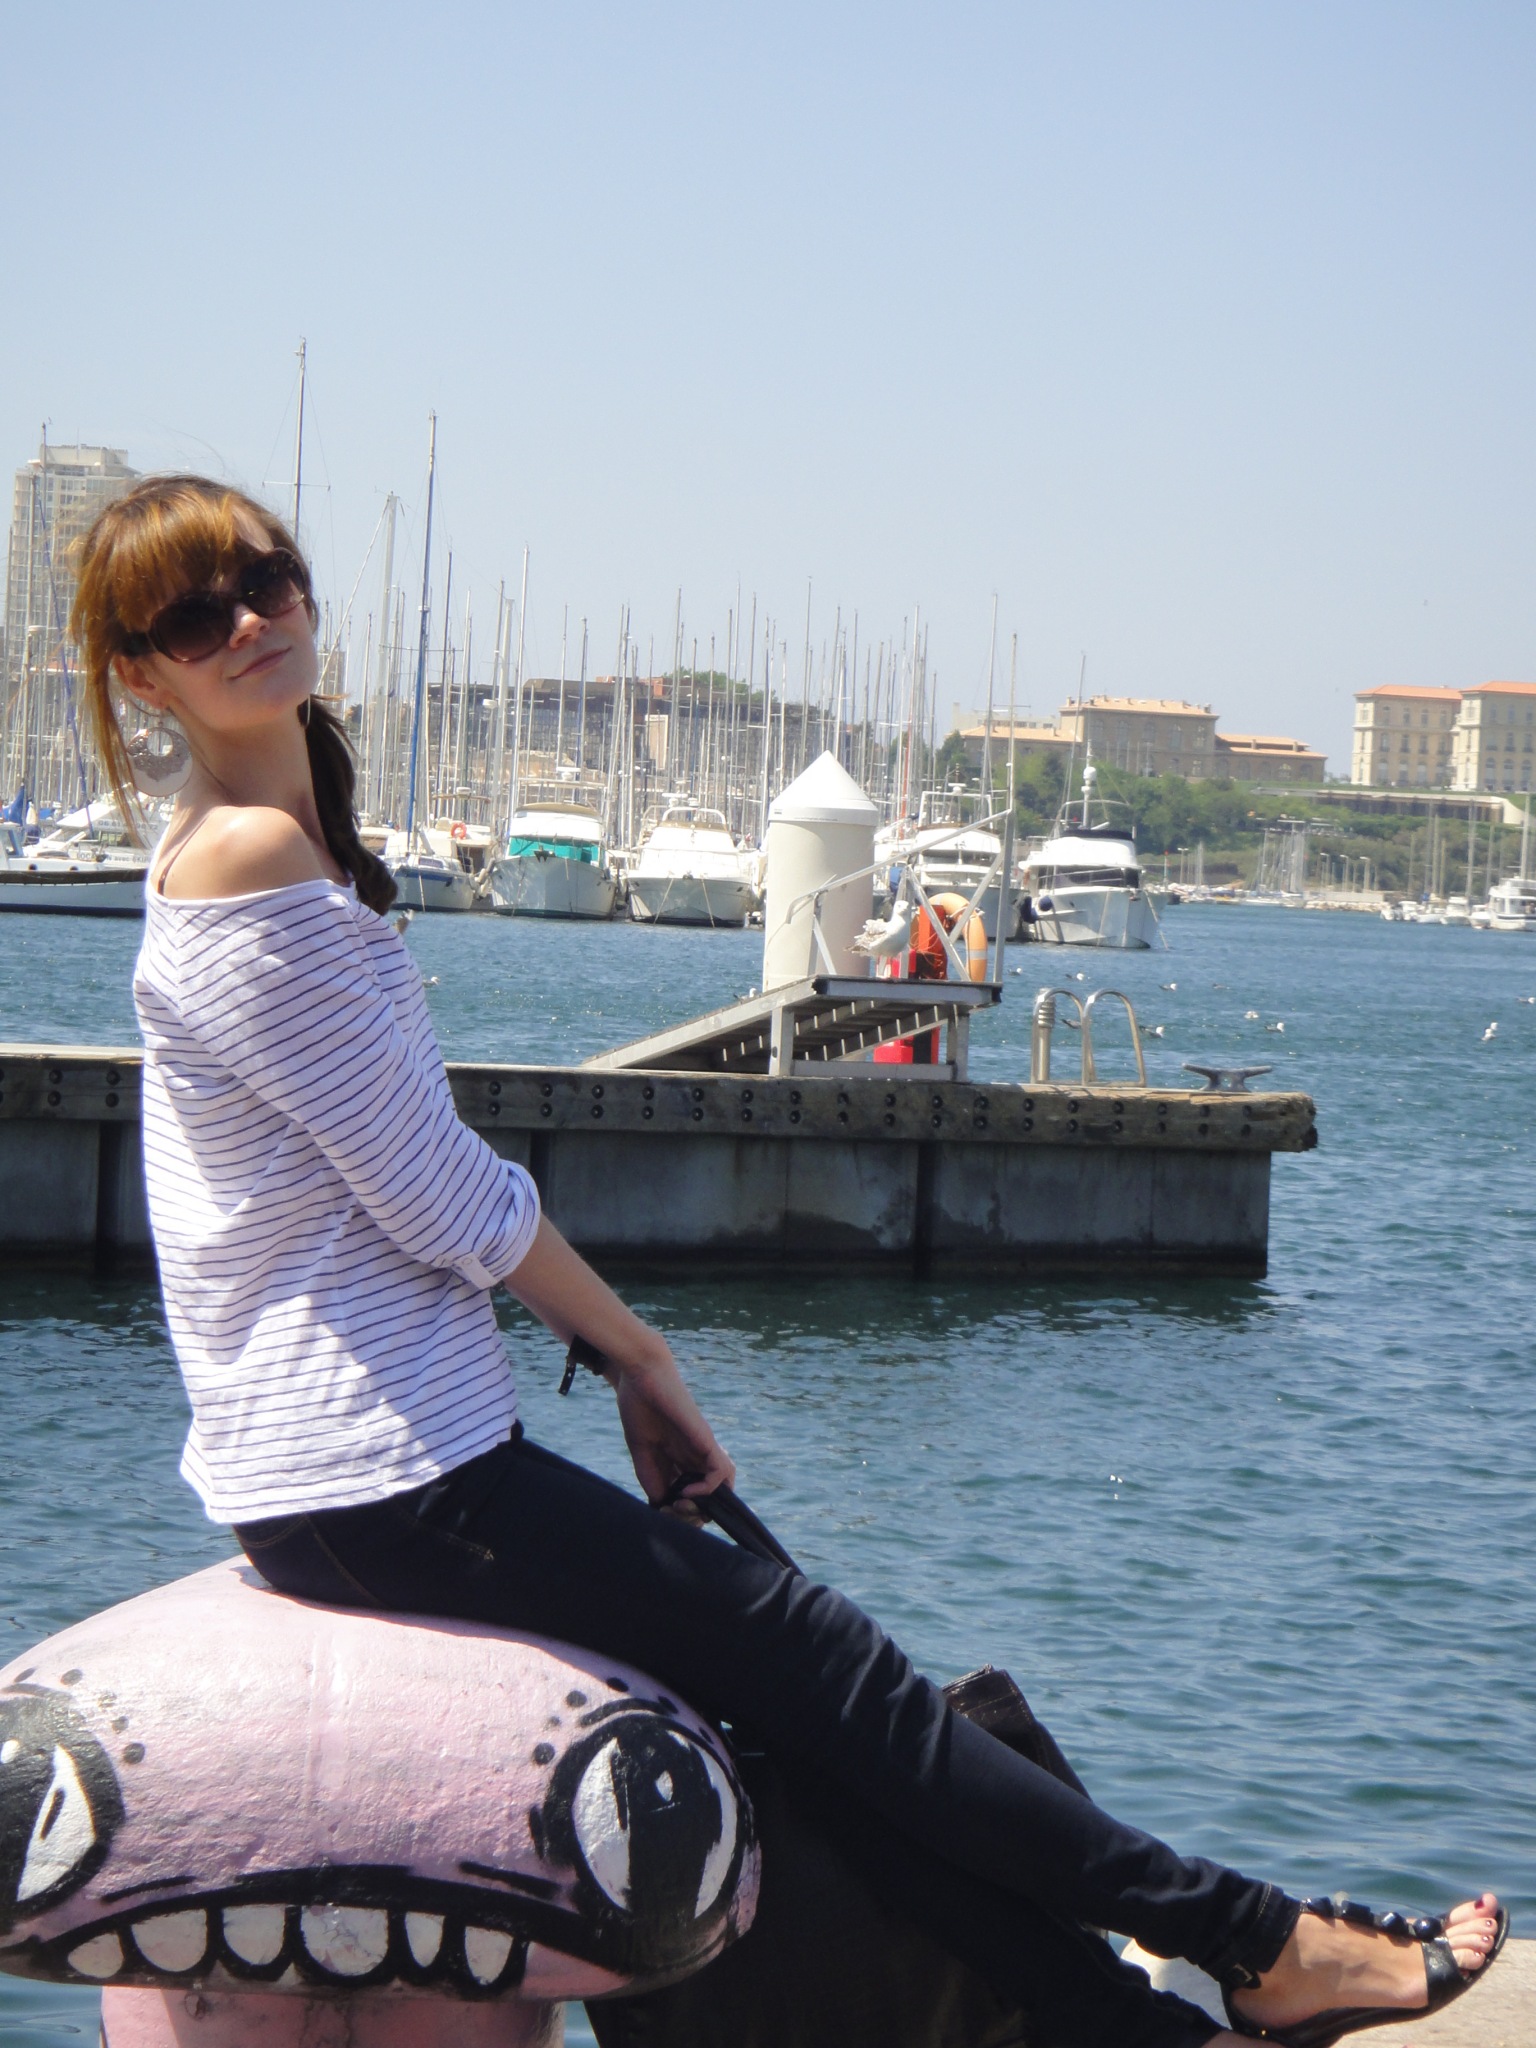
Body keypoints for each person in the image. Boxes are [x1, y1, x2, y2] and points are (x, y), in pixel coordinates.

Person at [72, 476, 1504, 2048]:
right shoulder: (246, 859)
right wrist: (640, 1355)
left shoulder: (274, 847)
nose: (252, 620)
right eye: (196, 614)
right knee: (827, 1663)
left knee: (818, 1718)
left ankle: (1159, 2014)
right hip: (376, 1482)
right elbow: (436, 1195)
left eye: (268, 579)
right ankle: (1259, 1942)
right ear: (141, 674)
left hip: (375, 1471)